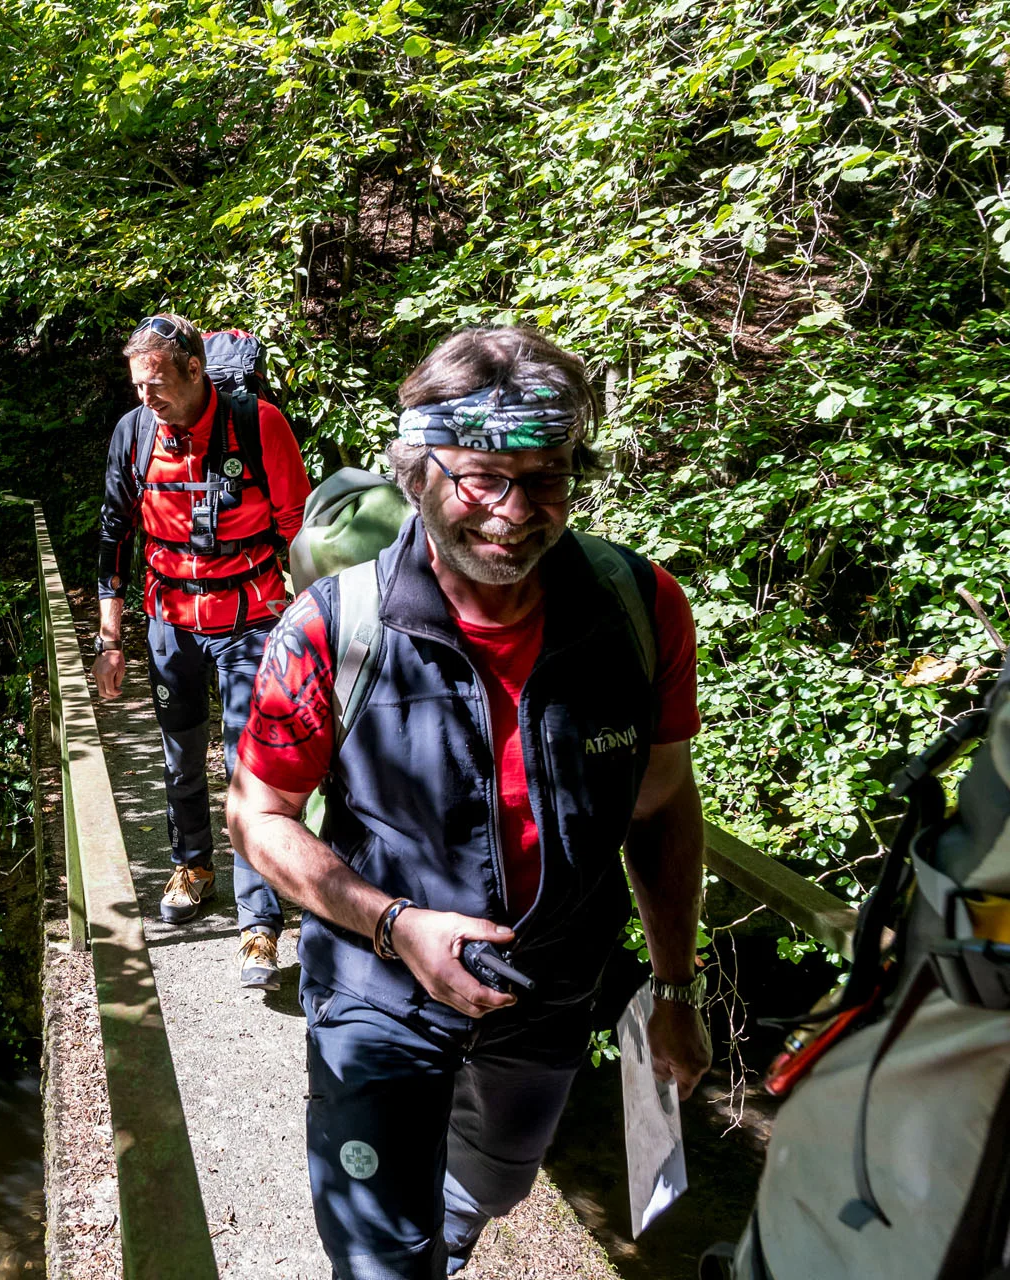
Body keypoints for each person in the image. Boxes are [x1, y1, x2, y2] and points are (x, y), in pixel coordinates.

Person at [226, 326, 712, 1277]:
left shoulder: (639, 610)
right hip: (381, 989)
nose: (516, 513)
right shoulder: (336, 627)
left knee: (493, 1186)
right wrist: (392, 924)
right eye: (483, 477)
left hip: (551, 985)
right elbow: (258, 814)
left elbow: (659, 806)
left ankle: (444, 1232)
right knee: (377, 1259)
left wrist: (675, 988)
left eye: (549, 477)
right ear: (418, 473)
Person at [95, 314, 312, 989]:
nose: (146, 398)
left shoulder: (259, 425)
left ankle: (260, 926)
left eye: (156, 384)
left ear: (195, 370)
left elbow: (299, 534)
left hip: (251, 620)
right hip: (169, 621)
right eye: (137, 386)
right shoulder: (135, 434)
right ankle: (192, 865)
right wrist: (110, 640)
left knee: (253, 773)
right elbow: (112, 538)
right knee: (181, 757)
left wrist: (314, 634)